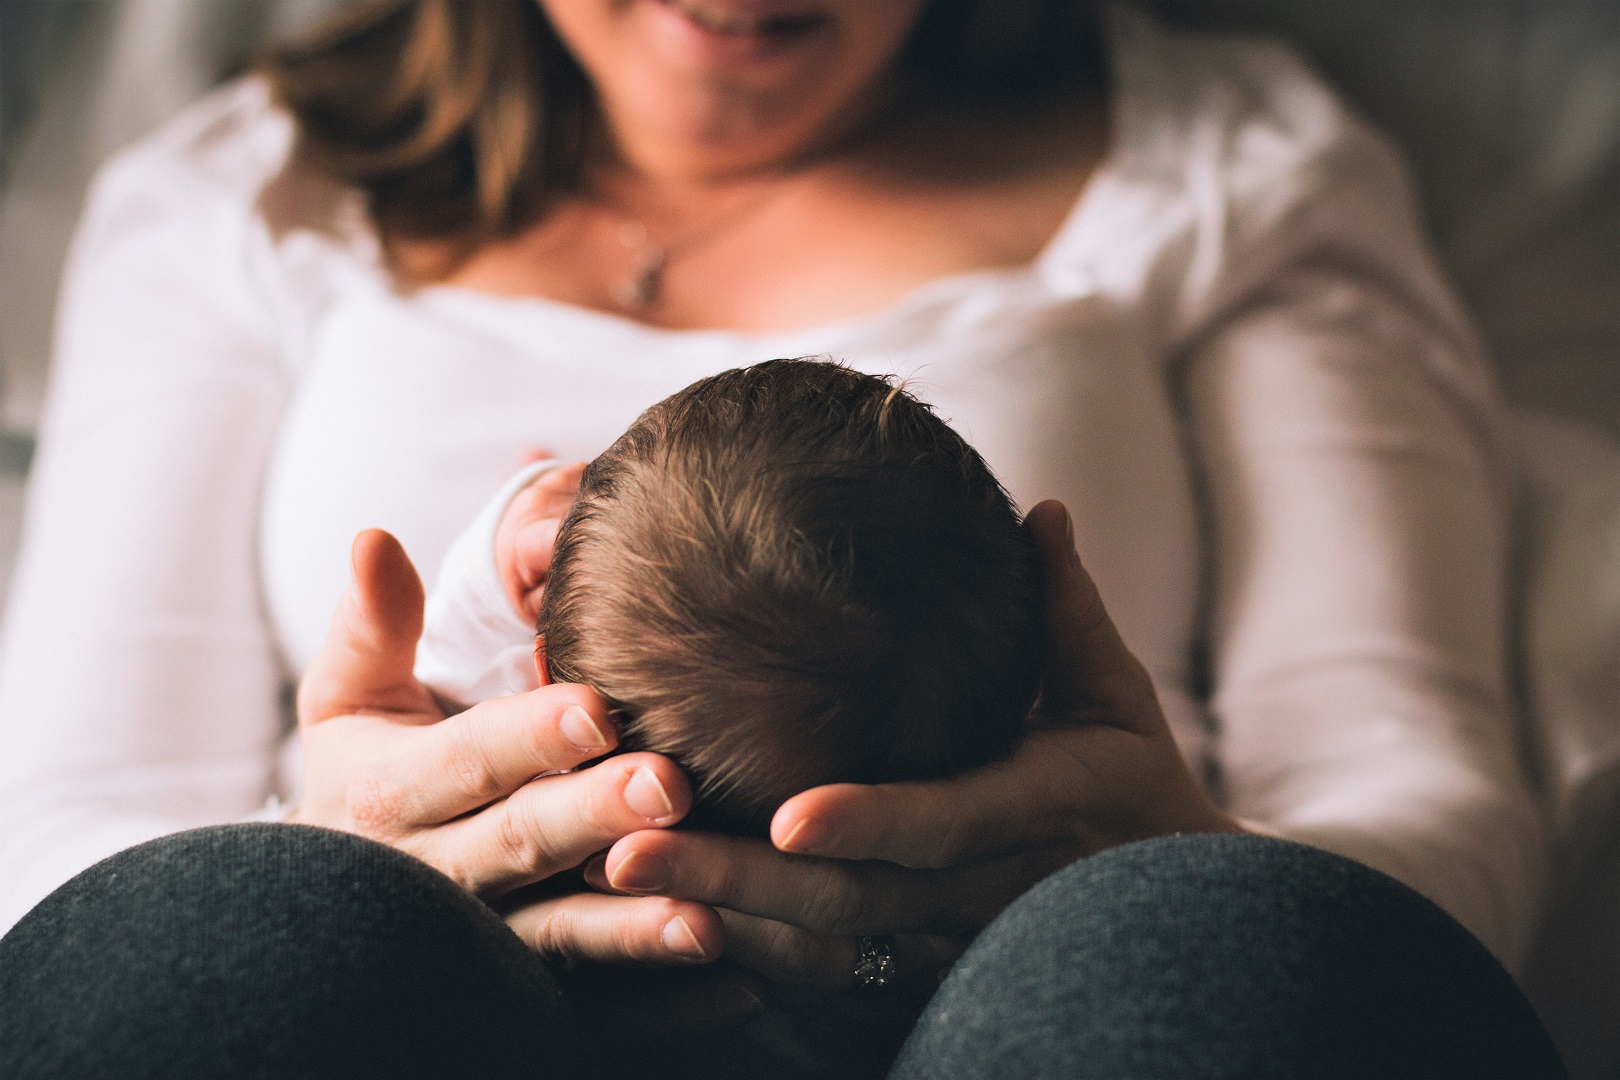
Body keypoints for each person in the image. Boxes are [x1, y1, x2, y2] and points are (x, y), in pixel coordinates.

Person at [0, 0, 1564, 1076]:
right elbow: (56, 850)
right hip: (399, 1004)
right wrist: (344, 855)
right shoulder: (237, 200)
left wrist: (1175, 870)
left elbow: (1421, 788)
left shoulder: (1234, 175)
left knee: (1228, 962)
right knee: (234, 944)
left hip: (1082, 997)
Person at [421, 357, 1045, 837]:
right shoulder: (1002, 836)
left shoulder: (503, 810)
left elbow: (446, 672)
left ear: (545, 690)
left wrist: (499, 546)